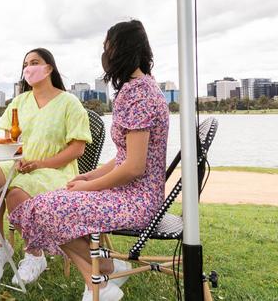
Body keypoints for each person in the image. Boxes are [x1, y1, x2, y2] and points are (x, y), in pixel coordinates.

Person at [9, 20, 170, 301]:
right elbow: (123, 157)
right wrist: (90, 176)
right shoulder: (139, 88)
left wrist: (90, 187)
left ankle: (102, 281)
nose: (104, 54)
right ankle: (103, 274)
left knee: (49, 208)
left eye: (108, 46)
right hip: (135, 192)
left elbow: (134, 167)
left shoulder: (138, 93)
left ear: (122, 49)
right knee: (47, 204)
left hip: (138, 199)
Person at [0, 48, 92, 287]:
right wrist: (15, 157)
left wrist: (40, 163)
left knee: (17, 192)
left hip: (55, 171)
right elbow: (9, 141)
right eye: (25, 64)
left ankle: (35, 255)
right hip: (20, 166)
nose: (28, 68)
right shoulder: (19, 102)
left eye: (34, 62)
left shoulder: (69, 103)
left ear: (49, 68)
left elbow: (78, 149)